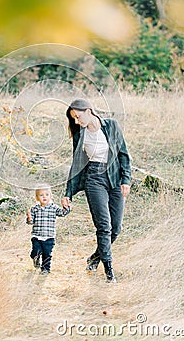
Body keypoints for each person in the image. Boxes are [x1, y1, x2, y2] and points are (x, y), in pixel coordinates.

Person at [61, 98, 131, 283]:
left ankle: (94, 258)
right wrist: (68, 193)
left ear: (89, 111)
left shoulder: (112, 126)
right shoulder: (80, 134)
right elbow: (77, 164)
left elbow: (123, 154)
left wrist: (126, 180)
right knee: (104, 226)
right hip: (94, 178)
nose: (76, 122)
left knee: (116, 228)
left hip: (114, 178)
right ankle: (109, 272)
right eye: (74, 119)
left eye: (78, 117)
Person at [26, 184, 70, 275]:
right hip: (37, 236)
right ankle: (35, 258)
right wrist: (29, 218)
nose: (44, 197)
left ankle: (45, 269)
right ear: (37, 198)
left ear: (51, 196)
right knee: (36, 252)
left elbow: (62, 213)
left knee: (47, 254)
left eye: (47, 195)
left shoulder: (54, 208)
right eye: (41, 195)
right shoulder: (34, 209)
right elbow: (31, 222)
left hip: (49, 237)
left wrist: (66, 207)